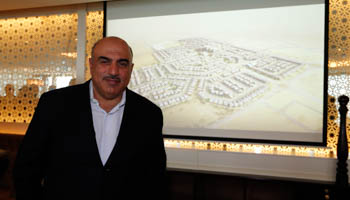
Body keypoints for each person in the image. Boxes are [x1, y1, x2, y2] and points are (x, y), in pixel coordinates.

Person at [13, 37, 167, 200]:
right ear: (91, 64)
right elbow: (26, 170)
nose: (113, 71)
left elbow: (154, 180)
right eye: (105, 62)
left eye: (122, 63)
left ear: (131, 68)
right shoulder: (54, 105)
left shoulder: (149, 114)